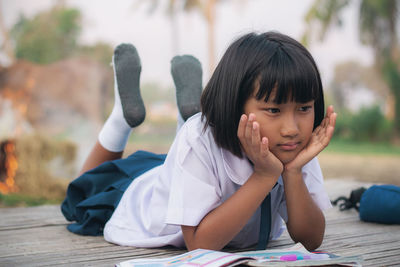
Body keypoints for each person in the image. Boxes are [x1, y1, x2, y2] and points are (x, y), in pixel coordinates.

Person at [62, 31, 337, 252]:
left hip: (188, 167)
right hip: (137, 195)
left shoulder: (291, 147)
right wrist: (265, 175)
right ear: (234, 104)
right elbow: (200, 244)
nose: (291, 129)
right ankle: (122, 117)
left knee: (192, 139)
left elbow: (311, 240)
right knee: (81, 194)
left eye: (304, 108)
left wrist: (292, 173)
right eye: (274, 110)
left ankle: (187, 121)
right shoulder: (202, 139)